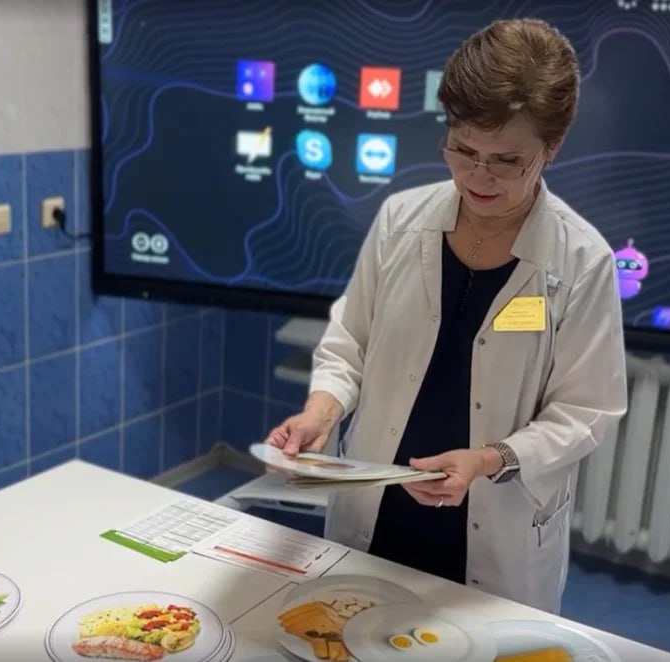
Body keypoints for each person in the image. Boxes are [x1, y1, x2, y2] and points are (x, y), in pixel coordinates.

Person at [266, 18, 628, 615]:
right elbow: (349, 343)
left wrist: (488, 459)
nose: (478, 177)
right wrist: (320, 413)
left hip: (494, 526)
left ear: (551, 148)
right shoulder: (399, 221)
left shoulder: (584, 262)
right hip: (375, 505)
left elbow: (586, 411)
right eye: (463, 149)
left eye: (507, 160)